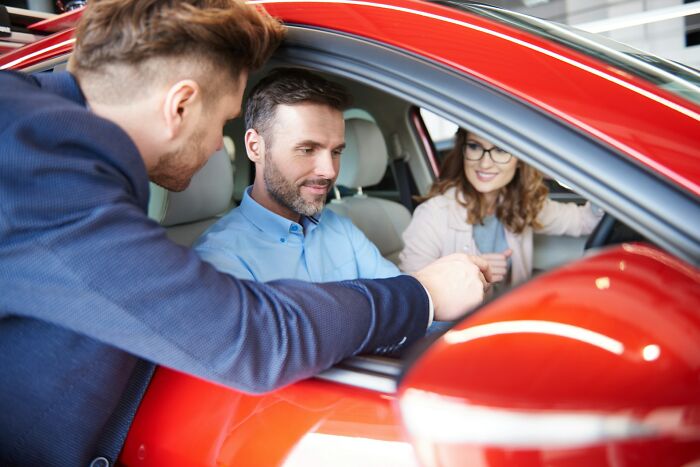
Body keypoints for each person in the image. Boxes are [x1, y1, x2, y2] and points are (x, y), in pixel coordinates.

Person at [0, 2, 490, 465]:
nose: (219, 145)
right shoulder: (42, 169)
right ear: (181, 106)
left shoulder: (38, 140)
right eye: (225, 122)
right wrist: (423, 293)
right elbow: (254, 335)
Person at [194, 68, 402, 282]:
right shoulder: (220, 260)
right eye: (307, 150)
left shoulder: (339, 227)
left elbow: (404, 300)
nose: (329, 171)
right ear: (255, 148)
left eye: (336, 151)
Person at [400, 128, 603, 285]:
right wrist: (471, 273)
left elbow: (583, 220)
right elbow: (412, 292)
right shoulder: (432, 214)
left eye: (500, 149)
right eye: (474, 146)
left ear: (520, 161)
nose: (485, 163)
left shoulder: (523, 203)